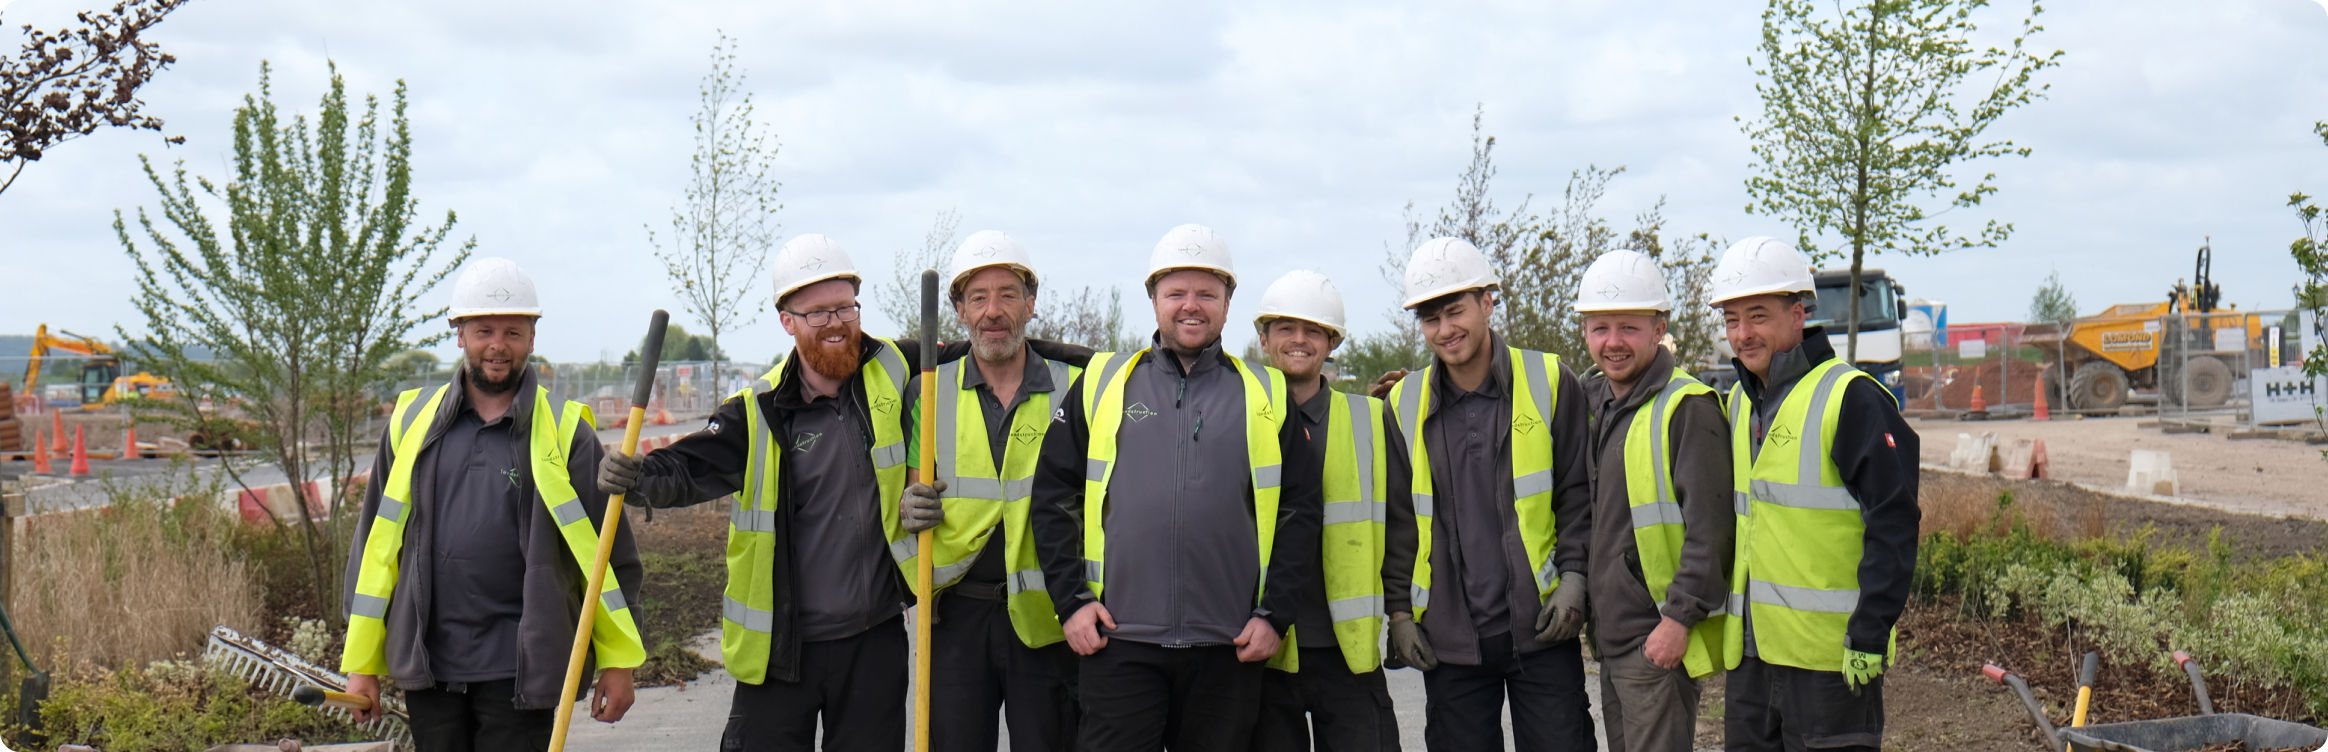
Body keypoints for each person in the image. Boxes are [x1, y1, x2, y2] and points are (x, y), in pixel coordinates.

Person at [598, 233, 927, 752]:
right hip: (783, 649)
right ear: (787, 322)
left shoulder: (898, 366)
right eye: (817, 312)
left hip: (875, 638)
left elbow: (982, 352)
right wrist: (636, 476)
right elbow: (687, 466)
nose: (836, 322)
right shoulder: (758, 410)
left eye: (845, 307)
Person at [1028, 224, 1323, 751]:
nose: (1192, 306)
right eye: (1176, 293)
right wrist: (1071, 602)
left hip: (1229, 644)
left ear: (1228, 304)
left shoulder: (1268, 393)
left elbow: (1300, 513)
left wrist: (1275, 615)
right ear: (1153, 299)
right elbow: (1052, 499)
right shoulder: (1100, 382)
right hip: (1118, 642)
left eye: (1207, 294)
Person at [341, 257, 641, 752]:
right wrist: (362, 666)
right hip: (429, 666)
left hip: (522, 668)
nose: (497, 346)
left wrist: (618, 660)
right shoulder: (410, 421)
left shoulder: (568, 432)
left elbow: (610, 555)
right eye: (483, 330)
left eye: (513, 332)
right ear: (459, 334)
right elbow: (372, 552)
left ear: (532, 338)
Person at [1380, 237, 1596, 751]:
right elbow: (1400, 521)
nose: (1446, 330)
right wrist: (1400, 614)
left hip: (1543, 631)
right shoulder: (1402, 404)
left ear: (1487, 302)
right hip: (1450, 643)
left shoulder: (1548, 380)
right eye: (1431, 320)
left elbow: (1577, 496)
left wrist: (1576, 579)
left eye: (1456, 312)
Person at [1706, 237, 1920, 752]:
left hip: (1832, 661)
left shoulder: (1851, 398)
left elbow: (1894, 521)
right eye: (1732, 320)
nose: (1743, 333)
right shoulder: (1738, 403)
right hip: (1755, 658)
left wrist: (1871, 631)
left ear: (1798, 314)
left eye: (1758, 316)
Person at [905, 230, 1089, 752]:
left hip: (1048, 616)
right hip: (957, 618)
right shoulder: (929, 390)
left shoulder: (1074, 387)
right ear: (960, 311)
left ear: (1030, 305)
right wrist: (907, 502)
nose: (994, 311)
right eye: (978, 298)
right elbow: (913, 480)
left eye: (1008, 294)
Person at [1574, 249, 1734, 752]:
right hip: (1614, 639)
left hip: (1656, 637)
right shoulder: (1595, 399)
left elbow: (1712, 528)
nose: (1613, 342)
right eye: (1600, 328)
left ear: (1659, 326)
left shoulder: (1687, 407)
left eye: (1629, 327)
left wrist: (1678, 619)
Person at [1247, 270, 1406, 752]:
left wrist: (1401, 614)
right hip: (1262, 652)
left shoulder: (1373, 419)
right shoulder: (1234, 416)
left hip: (1347, 652)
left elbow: (1402, 528)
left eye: (1313, 330)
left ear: (1331, 340)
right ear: (1263, 338)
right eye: (1285, 329)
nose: (1299, 340)